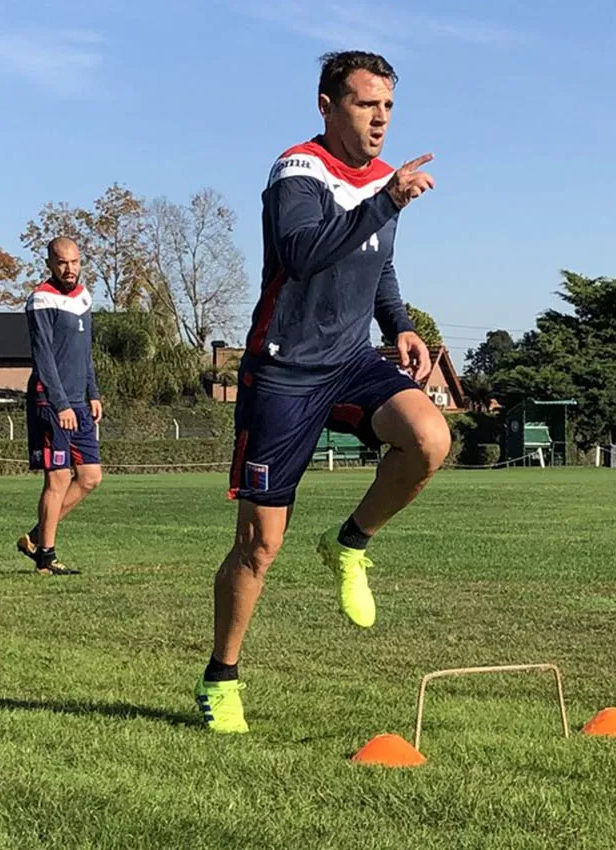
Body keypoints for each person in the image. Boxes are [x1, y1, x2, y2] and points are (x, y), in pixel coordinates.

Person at [196, 50, 451, 733]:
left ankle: (351, 542)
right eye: (367, 104)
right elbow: (306, 254)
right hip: (283, 371)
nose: (381, 119)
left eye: (389, 106)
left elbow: (380, 265)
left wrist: (397, 325)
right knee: (259, 544)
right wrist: (387, 198)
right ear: (327, 105)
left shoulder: (379, 183)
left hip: (351, 362)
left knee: (430, 438)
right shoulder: (297, 172)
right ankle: (221, 677)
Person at [14, 237, 103, 576]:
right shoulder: (40, 299)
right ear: (51, 263)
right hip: (52, 401)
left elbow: (85, 352)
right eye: (63, 263)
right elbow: (44, 357)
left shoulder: (83, 298)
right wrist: (60, 403)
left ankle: (36, 536)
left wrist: (92, 392)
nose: (70, 269)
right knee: (59, 477)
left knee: (91, 478)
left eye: (76, 262)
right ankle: (46, 559)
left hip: (80, 402)